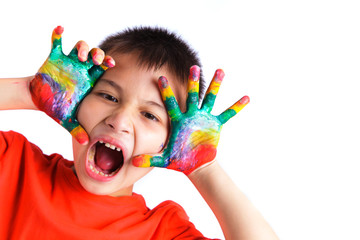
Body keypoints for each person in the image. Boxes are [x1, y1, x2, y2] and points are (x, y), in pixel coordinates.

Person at [0, 26, 278, 239]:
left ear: (170, 144)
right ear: (76, 101)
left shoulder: (162, 231)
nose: (119, 120)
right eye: (108, 96)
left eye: (149, 115)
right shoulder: (15, 164)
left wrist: (204, 169)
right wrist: (27, 92)